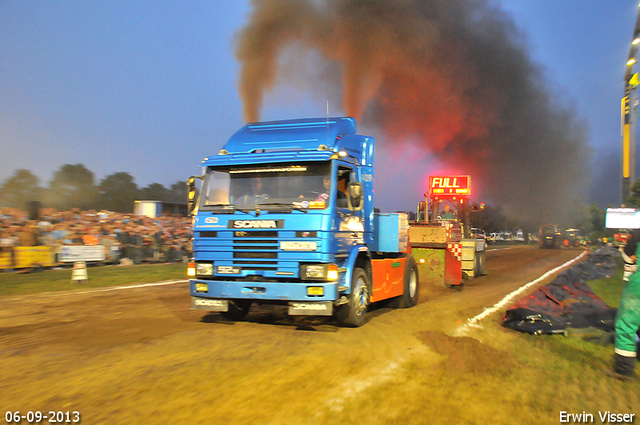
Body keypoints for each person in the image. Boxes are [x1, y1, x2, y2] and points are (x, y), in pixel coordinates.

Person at [607, 230, 640, 381]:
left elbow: (629, 257)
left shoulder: (636, 235)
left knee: (626, 323)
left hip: (638, 285)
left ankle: (624, 370)